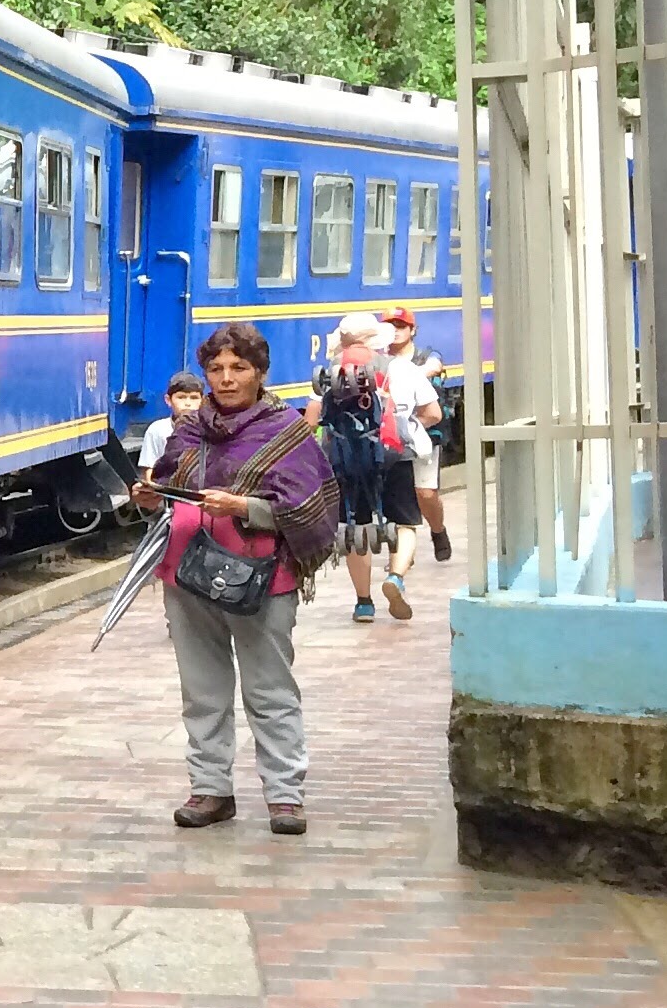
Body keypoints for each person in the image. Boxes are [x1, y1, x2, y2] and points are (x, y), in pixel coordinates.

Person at [134, 321, 339, 836]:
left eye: (238, 368)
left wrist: (243, 506)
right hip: (186, 572)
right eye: (216, 368)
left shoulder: (286, 431)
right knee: (202, 690)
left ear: (259, 373)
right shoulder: (189, 429)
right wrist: (151, 497)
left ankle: (285, 796)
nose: (226, 378)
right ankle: (210, 790)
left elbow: (310, 508)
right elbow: (169, 485)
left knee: (270, 690)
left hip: (261, 578)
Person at [312, 312, 411, 620]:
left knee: (355, 526)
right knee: (405, 523)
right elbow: (428, 411)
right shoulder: (396, 367)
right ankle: (395, 577)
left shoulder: (329, 373)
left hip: (345, 458)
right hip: (391, 454)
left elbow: (313, 418)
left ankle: (364, 602)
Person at [379, 307, 451, 569]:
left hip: (423, 437)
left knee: (425, 493)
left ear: (413, 330)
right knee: (396, 499)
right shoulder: (378, 359)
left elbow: (434, 366)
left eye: (401, 325)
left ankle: (438, 530)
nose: (395, 331)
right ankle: (400, 558)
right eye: (390, 326)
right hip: (391, 441)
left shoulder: (426, 357)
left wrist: (407, 376)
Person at [139, 374, 205, 477]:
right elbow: (149, 470)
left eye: (194, 398)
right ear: (168, 400)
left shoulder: (209, 429)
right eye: (181, 397)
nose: (188, 403)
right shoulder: (157, 430)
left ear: (203, 401)